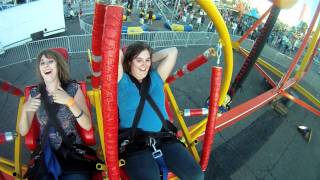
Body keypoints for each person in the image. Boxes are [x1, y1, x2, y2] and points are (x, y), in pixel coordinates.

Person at [117, 41, 204, 180]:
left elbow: (173, 51)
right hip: (134, 142)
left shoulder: (156, 77)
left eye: (147, 60)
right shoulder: (122, 81)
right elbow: (115, 53)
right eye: (139, 60)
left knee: (196, 176)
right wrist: (127, 58)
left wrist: (148, 58)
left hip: (164, 137)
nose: (144, 65)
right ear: (128, 62)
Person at [19, 49, 97, 180]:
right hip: (46, 151)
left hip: (72, 150)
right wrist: (25, 109)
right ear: (39, 69)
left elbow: (87, 125)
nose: (46, 65)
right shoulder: (35, 93)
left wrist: (70, 102)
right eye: (42, 63)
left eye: (50, 61)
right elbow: (23, 131)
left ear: (58, 65)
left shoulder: (73, 89)